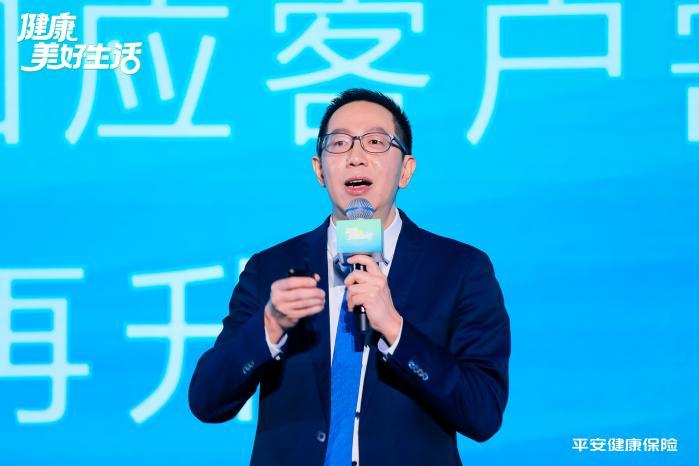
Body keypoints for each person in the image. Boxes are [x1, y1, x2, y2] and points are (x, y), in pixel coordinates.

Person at [189, 89, 511, 466]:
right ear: (319, 169)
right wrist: (269, 326)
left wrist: (396, 330)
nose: (355, 156)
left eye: (375, 142)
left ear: (406, 170)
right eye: (339, 143)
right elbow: (206, 401)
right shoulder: (270, 268)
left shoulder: (459, 269)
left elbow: (483, 412)